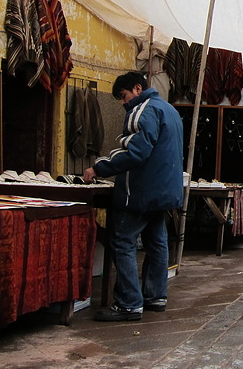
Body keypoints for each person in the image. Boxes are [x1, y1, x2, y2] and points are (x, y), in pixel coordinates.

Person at [83, 72, 184, 321]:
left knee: (121, 240)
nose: (122, 102)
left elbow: (135, 152)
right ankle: (155, 296)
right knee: (157, 243)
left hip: (142, 192)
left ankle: (129, 303)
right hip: (165, 192)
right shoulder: (170, 110)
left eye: (123, 95)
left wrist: (99, 167)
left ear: (137, 88)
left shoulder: (144, 109)